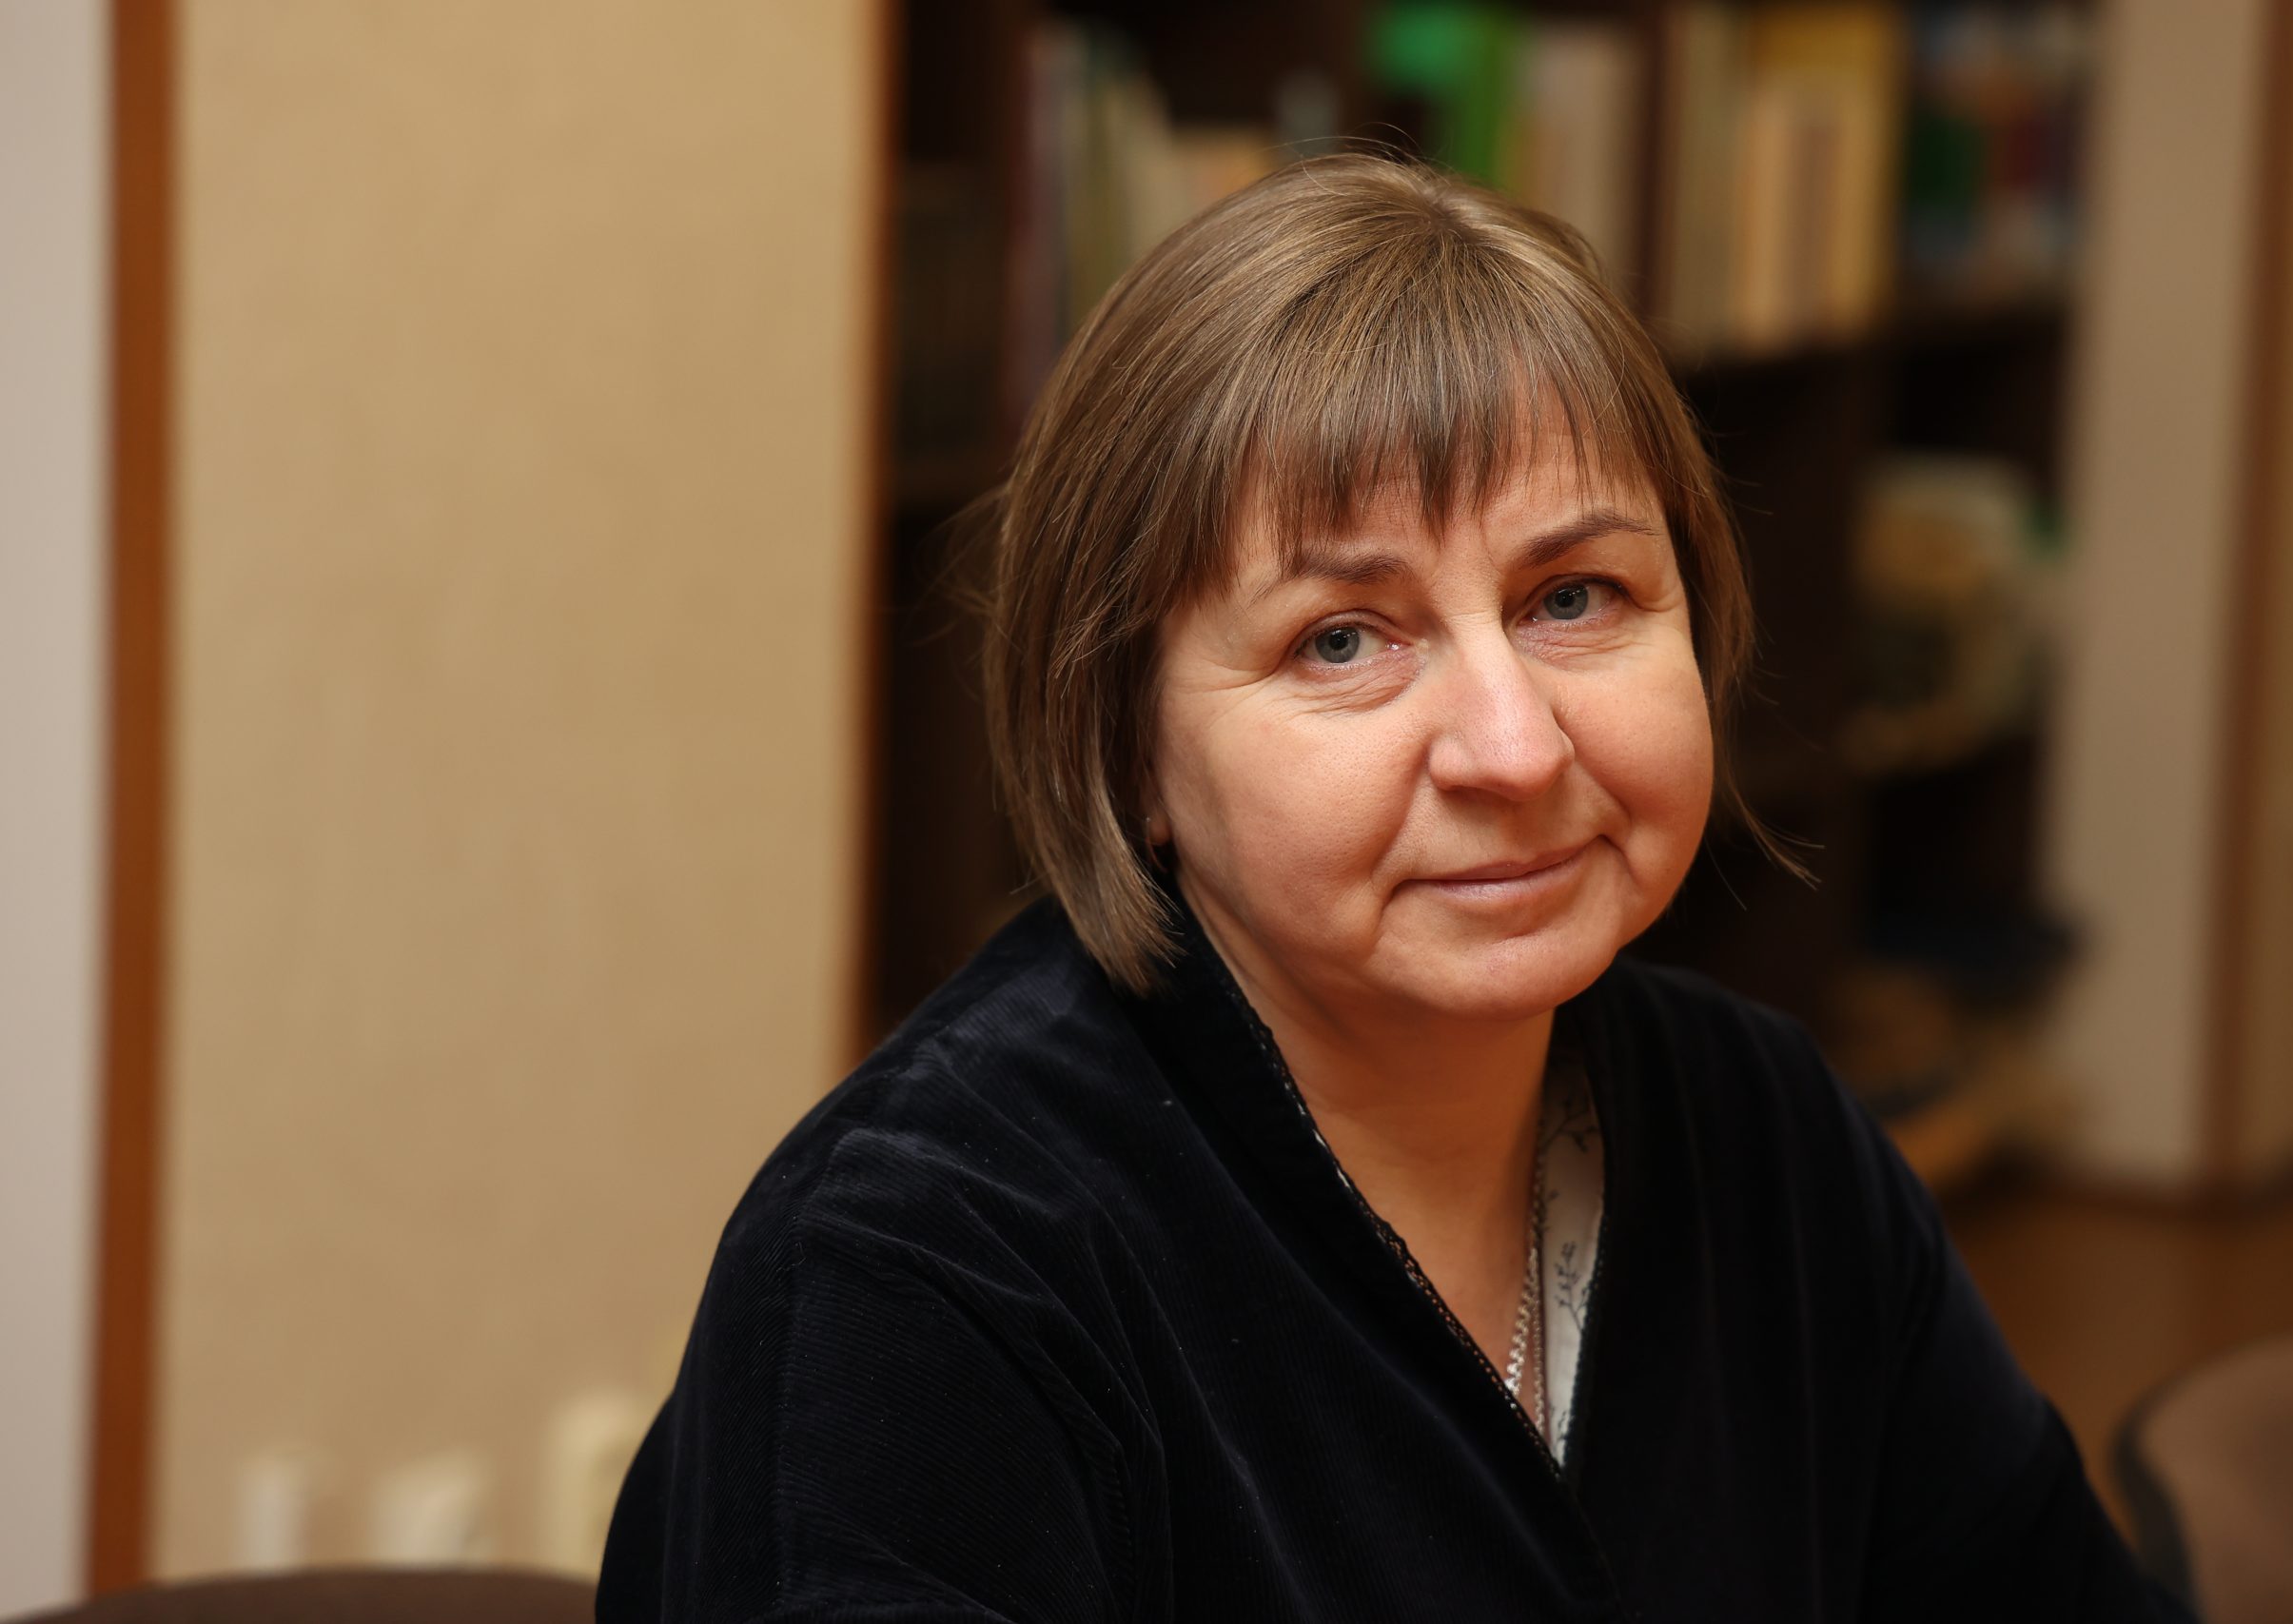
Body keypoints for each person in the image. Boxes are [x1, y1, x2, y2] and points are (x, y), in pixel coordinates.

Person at [597, 153, 2194, 1622]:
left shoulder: (1768, 1134)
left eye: (1575, 597)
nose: (1514, 747)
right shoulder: (917, 1268)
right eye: (1342, 639)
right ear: (1126, 751)